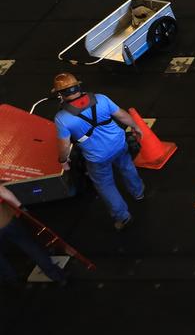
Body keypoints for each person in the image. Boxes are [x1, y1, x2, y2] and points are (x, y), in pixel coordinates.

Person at [51, 73, 146, 230]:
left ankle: (123, 216)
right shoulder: (101, 99)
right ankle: (138, 192)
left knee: (105, 184)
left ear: (60, 94)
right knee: (127, 166)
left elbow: (64, 146)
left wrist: (63, 160)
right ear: (78, 86)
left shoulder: (62, 118)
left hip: (97, 157)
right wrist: (136, 127)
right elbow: (122, 115)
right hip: (119, 144)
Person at [0, 184, 68, 286]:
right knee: (29, 245)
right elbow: (4, 193)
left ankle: (10, 279)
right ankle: (56, 276)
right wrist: (22, 209)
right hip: (6, 218)